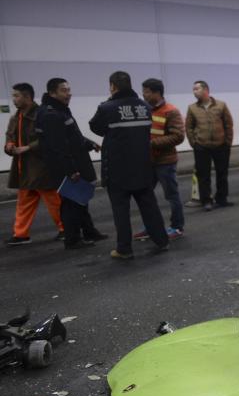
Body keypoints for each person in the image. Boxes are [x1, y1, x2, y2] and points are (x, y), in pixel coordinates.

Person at [88, 71, 169, 259]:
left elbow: (95, 127)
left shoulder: (107, 108)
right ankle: (161, 240)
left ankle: (124, 249)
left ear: (112, 86)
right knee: (150, 207)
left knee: (121, 211)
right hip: (142, 166)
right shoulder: (144, 106)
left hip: (118, 170)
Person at [35, 78, 108, 249]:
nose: (69, 93)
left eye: (69, 89)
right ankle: (73, 239)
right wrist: (71, 170)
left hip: (74, 162)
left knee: (80, 200)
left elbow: (71, 136)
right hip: (66, 167)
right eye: (64, 90)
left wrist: (89, 143)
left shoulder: (60, 110)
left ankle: (89, 232)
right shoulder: (50, 114)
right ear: (53, 93)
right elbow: (58, 146)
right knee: (70, 204)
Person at [4, 82, 65, 246]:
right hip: (24, 169)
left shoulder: (42, 115)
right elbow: (9, 135)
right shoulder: (15, 118)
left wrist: (28, 148)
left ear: (27, 97)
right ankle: (21, 234)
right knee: (24, 203)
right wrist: (8, 146)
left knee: (54, 201)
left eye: (16, 96)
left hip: (41, 168)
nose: (14, 100)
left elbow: (49, 138)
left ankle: (66, 228)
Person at [139, 78, 185, 240]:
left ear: (157, 92)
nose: (143, 94)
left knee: (171, 195)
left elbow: (178, 136)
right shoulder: (143, 110)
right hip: (148, 162)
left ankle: (177, 227)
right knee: (146, 196)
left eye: (146, 91)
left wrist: (151, 144)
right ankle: (151, 226)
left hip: (165, 162)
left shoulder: (170, 111)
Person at [186, 80, 234, 211]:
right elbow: (189, 127)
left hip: (221, 145)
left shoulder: (221, 105)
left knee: (222, 173)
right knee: (203, 175)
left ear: (206, 90)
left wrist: (228, 142)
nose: (194, 92)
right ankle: (206, 200)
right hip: (202, 146)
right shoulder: (192, 108)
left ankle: (222, 198)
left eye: (197, 89)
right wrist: (194, 143)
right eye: (193, 89)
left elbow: (228, 124)